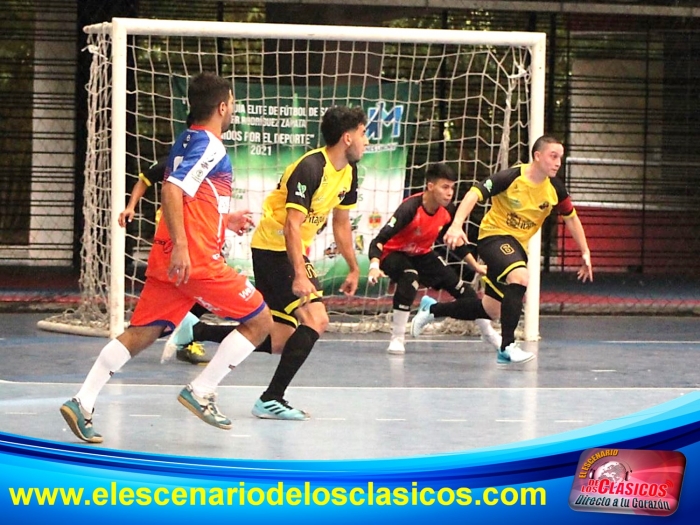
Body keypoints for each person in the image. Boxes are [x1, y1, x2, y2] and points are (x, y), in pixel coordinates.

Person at [59, 72, 272, 443]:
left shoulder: (185, 140)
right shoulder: (211, 145)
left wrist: (225, 219)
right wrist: (186, 247)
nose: (233, 108)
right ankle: (202, 391)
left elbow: (192, 199)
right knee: (261, 321)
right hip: (195, 260)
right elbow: (172, 190)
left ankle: (83, 400)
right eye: (233, 102)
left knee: (142, 331)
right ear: (223, 106)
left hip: (168, 257)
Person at [167, 105, 368, 421]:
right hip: (275, 249)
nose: (365, 140)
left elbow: (341, 224)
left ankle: (197, 329)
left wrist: (354, 266)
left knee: (280, 339)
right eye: (363, 133)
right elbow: (291, 225)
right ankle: (272, 398)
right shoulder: (311, 167)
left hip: (288, 250)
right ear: (347, 137)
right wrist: (300, 275)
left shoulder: (348, 173)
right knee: (316, 319)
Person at [411, 135, 593, 365]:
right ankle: (507, 347)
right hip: (493, 237)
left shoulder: (555, 189)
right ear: (537, 156)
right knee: (520, 276)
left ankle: (432, 309)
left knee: (492, 309)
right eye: (553, 156)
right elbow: (474, 194)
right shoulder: (511, 177)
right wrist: (456, 225)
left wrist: (585, 252)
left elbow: (572, 219)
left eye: (561, 158)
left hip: (516, 247)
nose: (558, 162)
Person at [366, 162, 501, 355]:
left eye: (452, 188)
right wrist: (374, 265)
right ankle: (397, 338)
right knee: (410, 277)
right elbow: (378, 241)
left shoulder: (447, 212)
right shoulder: (410, 208)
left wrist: (475, 265)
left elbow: (456, 243)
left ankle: (488, 333)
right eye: (445, 187)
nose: (450, 193)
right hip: (393, 254)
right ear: (430, 186)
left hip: (422, 254)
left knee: (464, 290)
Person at [118, 157, 212, 365]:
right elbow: (144, 180)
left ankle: (182, 333)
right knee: (187, 284)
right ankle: (170, 332)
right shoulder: (174, 162)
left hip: (198, 230)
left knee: (203, 287)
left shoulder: (211, 165)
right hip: (172, 232)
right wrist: (130, 207)